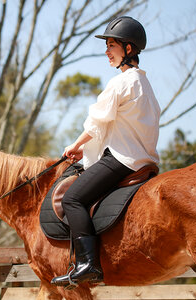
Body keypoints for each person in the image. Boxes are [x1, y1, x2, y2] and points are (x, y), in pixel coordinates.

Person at [51, 16, 161, 287]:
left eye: (111, 45)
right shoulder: (146, 86)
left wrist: (75, 145)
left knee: (73, 200)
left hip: (122, 160)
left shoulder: (121, 83)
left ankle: (88, 264)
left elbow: (98, 122)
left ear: (128, 49)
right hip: (143, 160)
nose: (106, 51)